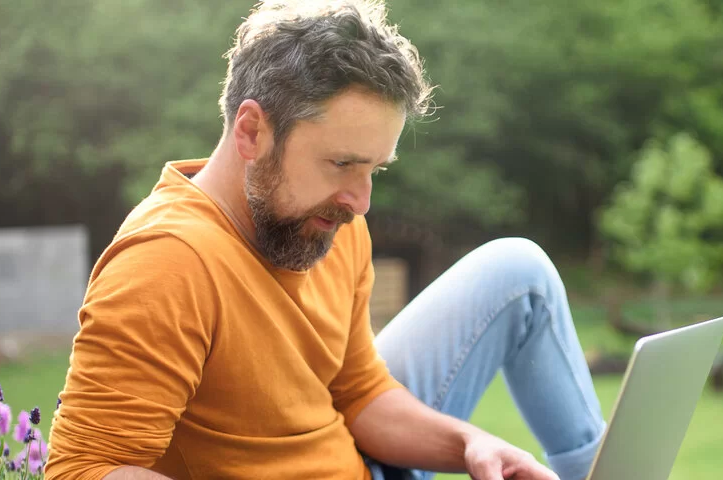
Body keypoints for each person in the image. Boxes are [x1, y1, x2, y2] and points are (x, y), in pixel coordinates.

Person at [44, 1, 607, 479]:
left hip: (365, 462)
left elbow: (358, 391)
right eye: (341, 163)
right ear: (251, 131)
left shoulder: (329, 225)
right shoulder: (168, 263)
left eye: (374, 170)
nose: (361, 202)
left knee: (519, 269)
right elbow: (85, 468)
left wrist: (468, 444)